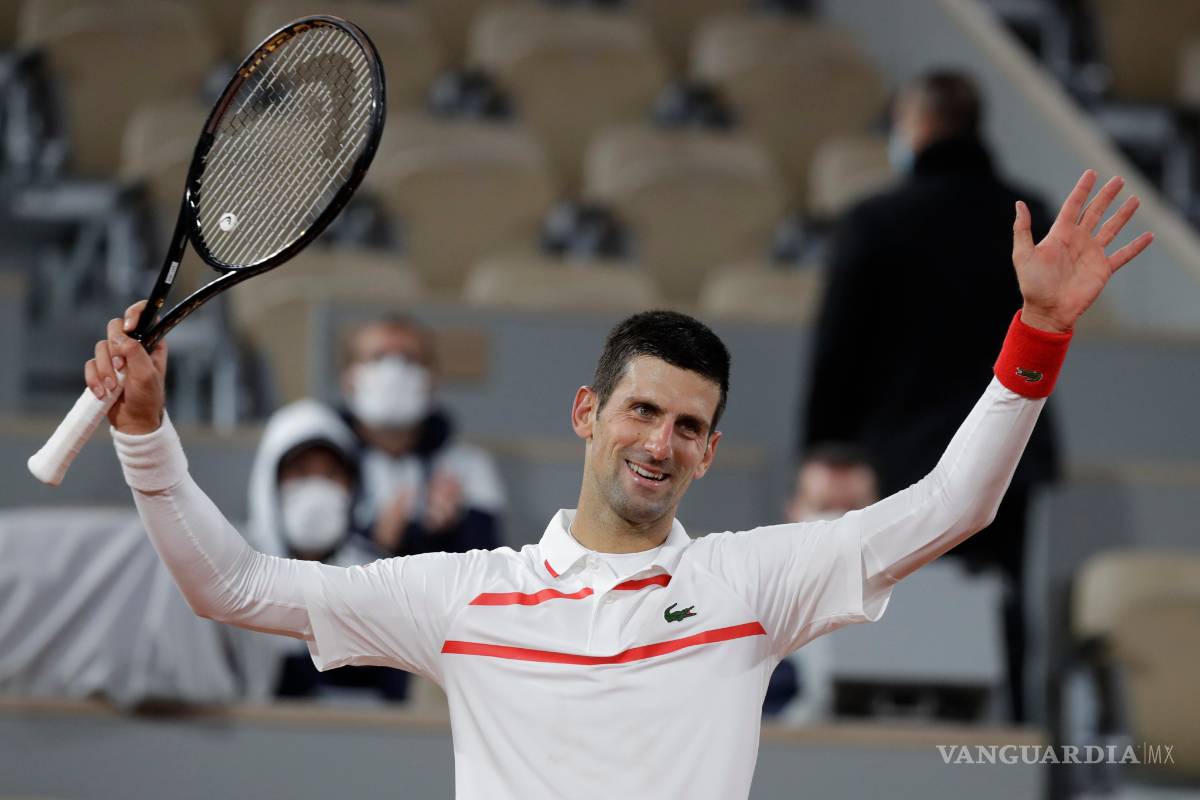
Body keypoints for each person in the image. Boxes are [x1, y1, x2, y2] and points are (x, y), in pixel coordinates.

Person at [86, 169, 1149, 799]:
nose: (660, 441)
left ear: (709, 453)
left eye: (689, 426)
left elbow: (955, 502)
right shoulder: (465, 593)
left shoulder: (748, 584)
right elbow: (231, 584)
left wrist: (1037, 332)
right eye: (642, 410)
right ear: (587, 413)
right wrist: (144, 432)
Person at [802, 70, 1061, 722]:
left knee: (888, 622)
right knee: (998, 610)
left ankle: (892, 760)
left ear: (913, 126)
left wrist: (822, 450)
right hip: (1009, 453)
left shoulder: (874, 221)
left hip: (899, 455)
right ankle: (1003, 751)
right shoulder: (1029, 217)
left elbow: (837, 351)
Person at [246, 399, 406, 700]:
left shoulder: (380, 581)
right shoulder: (233, 576)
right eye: (301, 472)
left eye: (331, 475)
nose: (317, 488)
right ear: (269, 482)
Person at [339, 316, 504, 557]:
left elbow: (488, 561)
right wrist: (376, 541)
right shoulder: (318, 458)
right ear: (348, 378)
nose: (394, 371)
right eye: (377, 357)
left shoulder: (468, 466)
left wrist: (443, 535)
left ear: (433, 379)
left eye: (410, 359)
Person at [764, 444, 881, 722]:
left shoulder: (929, 603)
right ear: (793, 512)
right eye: (824, 509)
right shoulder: (756, 600)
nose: (839, 523)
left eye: (854, 510)